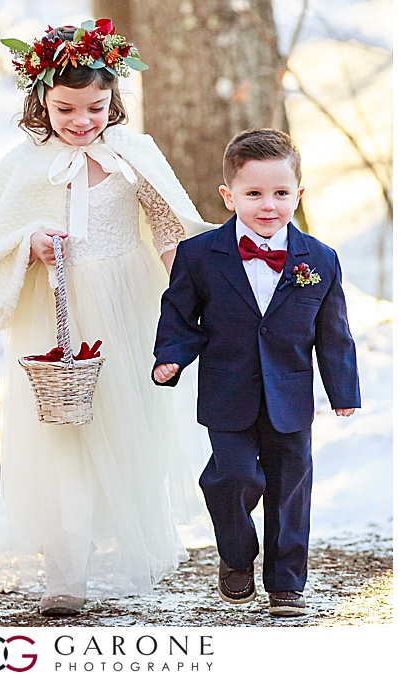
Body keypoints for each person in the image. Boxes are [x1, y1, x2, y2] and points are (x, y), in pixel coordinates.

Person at [0, 19, 214, 616]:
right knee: (61, 433)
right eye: (65, 109)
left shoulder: (134, 155)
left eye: (96, 107)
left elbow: (167, 228)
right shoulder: (23, 164)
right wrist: (30, 240)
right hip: (53, 307)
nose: (82, 121)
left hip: (126, 303)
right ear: (41, 102)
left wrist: (190, 291)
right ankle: (65, 574)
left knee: (126, 424)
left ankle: (133, 549)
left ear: (114, 101)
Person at [152, 129, 361, 618]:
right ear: (228, 196)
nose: (268, 205)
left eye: (281, 193)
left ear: (299, 194)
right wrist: (172, 356)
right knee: (233, 477)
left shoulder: (321, 259)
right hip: (228, 392)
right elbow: (180, 314)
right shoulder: (200, 255)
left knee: (290, 489)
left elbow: (334, 334)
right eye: (254, 193)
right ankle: (236, 555)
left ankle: (286, 582)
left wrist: (342, 388)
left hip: (291, 396)